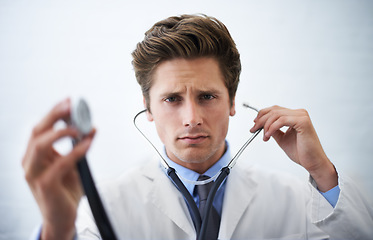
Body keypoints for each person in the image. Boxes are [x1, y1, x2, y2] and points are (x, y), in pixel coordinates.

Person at [23, 14, 373, 240]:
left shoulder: (296, 202)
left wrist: (322, 172)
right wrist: (56, 228)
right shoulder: (105, 206)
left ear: (233, 102)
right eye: (172, 99)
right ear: (147, 108)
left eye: (207, 96)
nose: (191, 117)